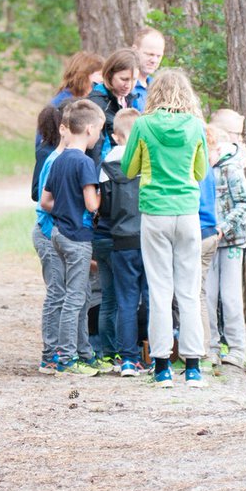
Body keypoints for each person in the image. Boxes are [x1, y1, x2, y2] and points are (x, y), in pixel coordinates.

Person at [121, 68, 208, 388]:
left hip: (155, 213)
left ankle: (161, 367)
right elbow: (200, 172)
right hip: (187, 213)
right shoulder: (196, 126)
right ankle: (194, 365)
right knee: (188, 291)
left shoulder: (143, 125)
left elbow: (129, 167)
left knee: (159, 290)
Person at [40, 100, 105, 375]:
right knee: (75, 298)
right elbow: (92, 205)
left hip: (57, 233)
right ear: (89, 129)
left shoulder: (58, 159)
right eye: (100, 131)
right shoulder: (85, 163)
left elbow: (46, 199)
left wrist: (67, 208)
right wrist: (104, 194)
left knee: (81, 293)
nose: (99, 136)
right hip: (77, 237)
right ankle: (67, 358)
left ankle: (83, 351)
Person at [101, 107, 147, 376]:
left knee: (126, 300)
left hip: (120, 238)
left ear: (116, 136)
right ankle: (154, 355)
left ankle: (127, 359)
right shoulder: (147, 161)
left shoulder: (106, 165)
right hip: (150, 238)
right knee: (152, 298)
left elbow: (104, 208)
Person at [206, 115, 246, 367]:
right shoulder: (203, 170)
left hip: (232, 242)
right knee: (208, 295)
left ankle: (237, 349)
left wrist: (223, 227)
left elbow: (245, 204)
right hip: (208, 242)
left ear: (217, 148)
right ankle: (211, 346)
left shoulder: (231, 169)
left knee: (231, 296)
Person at [35, 51, 103, 200]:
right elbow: (44, 148)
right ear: (84, 74)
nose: (103, 80)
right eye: (99, 74)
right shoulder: (62, 105)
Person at [31, 103, 65, 374]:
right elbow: (39, 195)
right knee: (57, 292)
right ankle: (50, 354)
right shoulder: (49, 154)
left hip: (61, 231)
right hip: (48, 230)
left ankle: (65, 351)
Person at [196, 125, 223, 363]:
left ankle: (201, 349)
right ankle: (206, 347)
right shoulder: (211, 171)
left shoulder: (195, 168)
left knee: (192, 293)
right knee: (200, 292)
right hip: (211, 232)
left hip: (198, 231)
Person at [86, 48, 139, 164]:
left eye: (134, 79)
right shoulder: (96, 104)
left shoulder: (129, 99)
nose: (129, 85)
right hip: (104, 173)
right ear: (109, 75)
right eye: (124, 79)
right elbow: (94, 150)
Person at [129, 26, 165, 112]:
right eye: (150, 54)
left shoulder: (159, 87)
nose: (154, 60)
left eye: (158, 56)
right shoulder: (123, 86)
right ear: (135, 50)